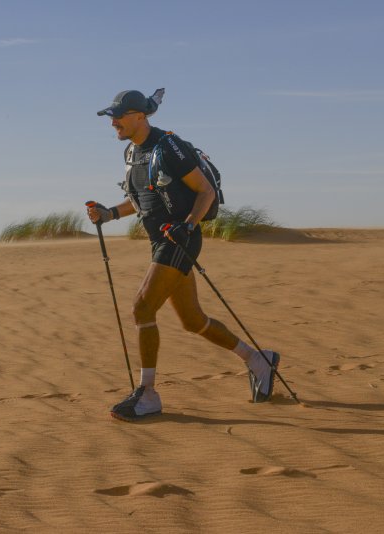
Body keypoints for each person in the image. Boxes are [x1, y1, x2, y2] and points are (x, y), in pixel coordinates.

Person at [88, 89, 281, 422]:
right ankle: (257, 359)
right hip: (161, 242)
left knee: (142, 307)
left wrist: (188, 225)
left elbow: (205, 191)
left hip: (179, 239)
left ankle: (147, 394)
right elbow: (141, 200)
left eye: (118, 116)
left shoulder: (170, 148)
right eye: (111, 117)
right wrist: (108, 215)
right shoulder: (133, 153)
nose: (113, 122)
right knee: (193, 321)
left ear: (139, 116)